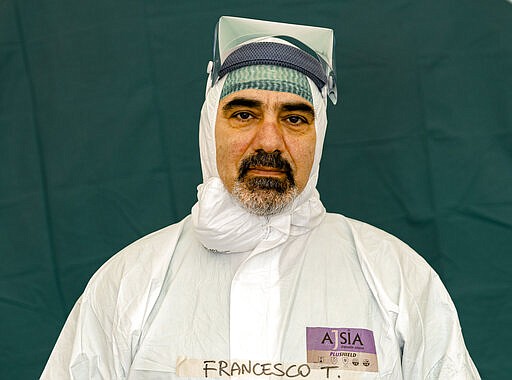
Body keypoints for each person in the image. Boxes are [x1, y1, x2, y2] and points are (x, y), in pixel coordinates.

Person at [41, 16, 480, 379]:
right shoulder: (128, 285)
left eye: (294, 117)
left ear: (319, 135)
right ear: (210, 125)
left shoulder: (396, 280)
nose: (269, 140)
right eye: (244, 113)